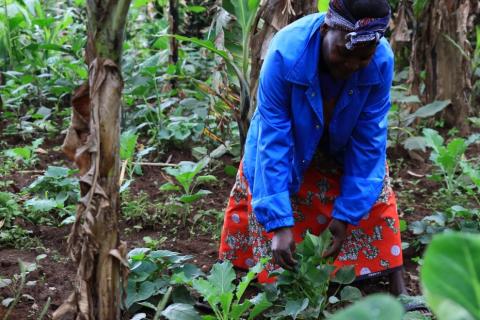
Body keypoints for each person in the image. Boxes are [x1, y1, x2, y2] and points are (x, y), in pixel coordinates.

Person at [219, 0, 407, 295]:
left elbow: (369, 141)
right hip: (290, 148)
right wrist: (279, 225)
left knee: (377, 195)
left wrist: (345, 216)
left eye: (362, 59)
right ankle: (243, 280)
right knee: (259, 193)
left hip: (341, 149)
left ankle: (395, 281)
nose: (351, 66)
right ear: (327, 27)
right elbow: (273, 139)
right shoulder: (285, 53)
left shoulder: (381, 60)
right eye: (344, 54)